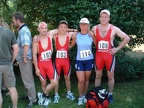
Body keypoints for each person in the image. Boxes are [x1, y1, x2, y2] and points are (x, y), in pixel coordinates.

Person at [91, 9, 130, 103]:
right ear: (99, 18)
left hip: (109, 56)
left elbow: (127, 38)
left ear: (109, 19)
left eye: (106, 17)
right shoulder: (94, 28)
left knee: (110, 75)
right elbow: (95, 42)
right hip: (99, 55)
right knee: (98, 75)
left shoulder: (114, 28)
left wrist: (117, 49)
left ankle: (110, 94)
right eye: (102, 17)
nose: (104, 19)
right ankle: (96, 94)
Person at [12, 12, 37, 108]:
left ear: (18, 20)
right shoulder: (23, 29)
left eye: (14, 21)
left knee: (28, 80)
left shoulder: (23, 31)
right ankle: (27, 95)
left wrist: (24, 57)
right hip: (24, 59)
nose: (13, 23)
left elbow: (26, 44)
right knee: (25, 79)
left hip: (25, 59)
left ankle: (33, 100)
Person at [32, 22, 58, 107]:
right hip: (41, 65)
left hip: (49, 63)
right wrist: (36, 68)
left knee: (54, 82)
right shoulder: (36, 40)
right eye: (42, 28)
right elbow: (34, 55)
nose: (44, 30)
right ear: (38, 29)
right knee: (43, 83)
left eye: (45, 28)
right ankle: (46, 97)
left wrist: (73, 30)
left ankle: (43, 95)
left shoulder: (49, 35)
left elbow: (61, 29)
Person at [53, 20, 76, 103]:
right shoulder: (54, 35)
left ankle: (69, 92)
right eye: (61, 27)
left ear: (67, 28)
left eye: (65, 27)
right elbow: (49, 32)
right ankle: (56, 94)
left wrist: (72, 41)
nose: (63, 29)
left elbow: (77, 31)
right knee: (56, 78)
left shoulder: (69, 35)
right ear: (58, 27)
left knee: (67, 77)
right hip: (58, 61)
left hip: (66, 61)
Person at [75, 18, 95, 105]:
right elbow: (70, 45)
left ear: (88, 26)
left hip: (89, 60)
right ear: (79, 25)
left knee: (86, 79)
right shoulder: (76, 35)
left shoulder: (91, 35)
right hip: (79, 60)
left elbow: (97, 44)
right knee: (81, 80)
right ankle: (80, 97)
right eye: (81, 24)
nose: (83, 26)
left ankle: (84, 95)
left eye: (85, 24)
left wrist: (93, 35)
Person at [0, 25, 19, 108]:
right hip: (7, 64)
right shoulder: (8, 32)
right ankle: (15, 107)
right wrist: (12, 60)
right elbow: (16, 48)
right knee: (12, 88)